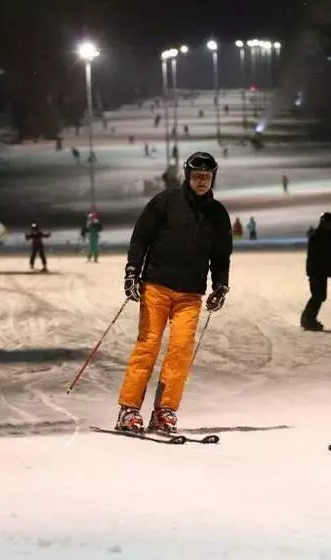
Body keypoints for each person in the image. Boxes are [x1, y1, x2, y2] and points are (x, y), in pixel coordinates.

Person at [116, 151, 232, 433]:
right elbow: (140, 238)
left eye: (207, 177)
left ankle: (164, 411)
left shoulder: (217, 215)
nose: (202, 182)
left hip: (190, 295)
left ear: (213, 177)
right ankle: (129, 410)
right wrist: (132, 272)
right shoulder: (165, 203)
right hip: (156, 285)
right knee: (148, 346)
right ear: (187, 176)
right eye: (197, 176)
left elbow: (221, 256)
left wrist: (220, 284)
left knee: (180, 351)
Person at [301, 212, 331, 330]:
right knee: (317, 295)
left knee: (321, 296)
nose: (330, 226)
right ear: (323, 223)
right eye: (328, 224)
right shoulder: (316, 237)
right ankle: (308, 318)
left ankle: (308, 318)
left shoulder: (330, 238)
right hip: (316, 271)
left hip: (323, 272)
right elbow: (312, 256)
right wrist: (312, 271)